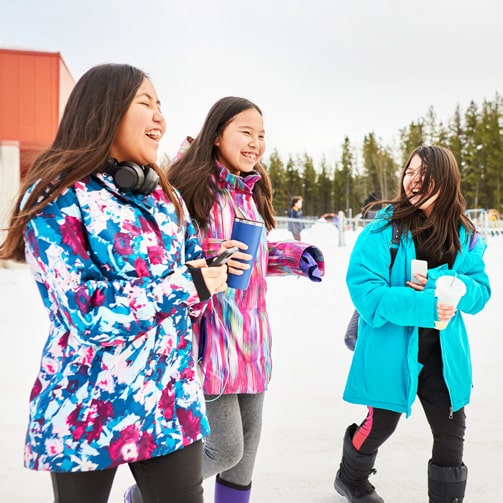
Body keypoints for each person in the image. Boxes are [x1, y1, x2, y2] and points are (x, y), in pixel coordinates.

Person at [0, 63, 228, 503]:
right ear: (105, 112)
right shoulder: (58, 196)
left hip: (168, 400)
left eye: (161, 105)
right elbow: (86, 311)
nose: (160, 117)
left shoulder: (167, 196)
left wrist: (209, 277)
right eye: (146, 103)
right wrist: (185, 285)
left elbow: (191, 294)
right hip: (86, 404)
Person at [125, 96, 324, 503]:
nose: (256, 143)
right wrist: (218, 252)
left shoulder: (250, 191)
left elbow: (255, 255)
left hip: (252, 338)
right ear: (217, 136)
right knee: (224, 448)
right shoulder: (191, 189)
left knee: (245, 455)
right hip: (210, 341)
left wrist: (294, 257)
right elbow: (173, 252)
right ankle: (143, 497)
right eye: (246, 132)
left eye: (262, 135)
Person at [334, 145, 491, 503]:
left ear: (446, 181)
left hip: (443, 355)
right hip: (390, 350)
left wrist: (447, 286)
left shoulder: (464, 235)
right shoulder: (384, 229)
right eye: (410, 172)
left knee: (452, 431)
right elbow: (366, 292)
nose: (414, 181)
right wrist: (424, 305)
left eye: (426, 175)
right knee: (380, 425)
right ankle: (351, 480)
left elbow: (480, 293)